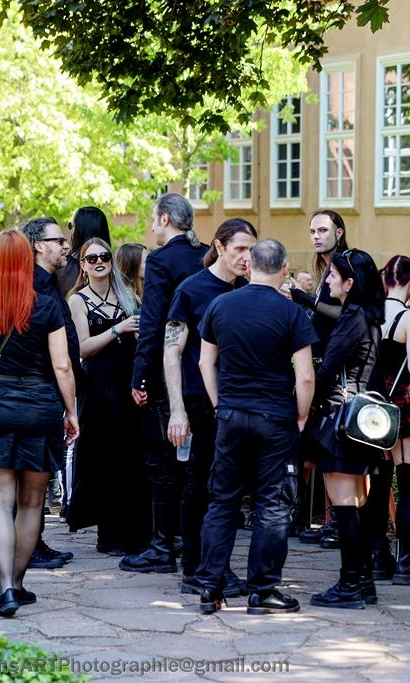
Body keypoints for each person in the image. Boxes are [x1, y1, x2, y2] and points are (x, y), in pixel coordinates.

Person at [194, 239, 316, 615]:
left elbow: (205, 363)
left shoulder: (220, 305)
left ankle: (210, 587)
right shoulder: (292, 312)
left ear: (249, 267)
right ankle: (262, 590)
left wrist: (220, 404)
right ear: (284, 269)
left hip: (231, 414)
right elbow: (305, 375)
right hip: (275, 418)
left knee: (223, 501)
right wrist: (301, 415)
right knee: (272, 504)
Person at [0, 229, 79, 617]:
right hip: (40, 406)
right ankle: (17, 583)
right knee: (31, 504)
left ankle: (5, 589)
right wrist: (71, 412)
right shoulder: (46, 306)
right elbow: (62, 366)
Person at [164, 218, 256, 596]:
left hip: (238, 400)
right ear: (219, 247)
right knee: (200, 484)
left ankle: (214, 564)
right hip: (200, 400)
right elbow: (172, 352)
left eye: (252, 250)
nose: (247, 257)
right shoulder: (192, 289)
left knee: (228, 489)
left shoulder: (249, 289)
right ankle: (196, 568)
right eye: (240, 249)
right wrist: (177, 409)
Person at [122, 192, 208, 574]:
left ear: (165, 220)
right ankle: (192, 541)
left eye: (153, 218)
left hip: (168, 369)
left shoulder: (160, 260)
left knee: (161, 461)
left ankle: (162, 545)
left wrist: (139, 375)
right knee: (198, 461)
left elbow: (153, 321)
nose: (151, 225)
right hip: (206, 367)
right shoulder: (206, 254)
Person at [309, 248, 386, 610]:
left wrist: (303, 402)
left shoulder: (352, 318)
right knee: (354, 503)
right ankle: (362, 582)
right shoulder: (368, 317)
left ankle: (350, 584)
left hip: (341, 420)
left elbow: (327, 371)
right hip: (360, 420)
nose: (327, 280)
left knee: (344, 506)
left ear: (350, 283)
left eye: (333, 276)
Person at [65, 237, 145, 555]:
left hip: (127, 383)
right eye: (91, 258)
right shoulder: (77, 300)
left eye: (104, 256)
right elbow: (83, 348)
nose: (99, 262)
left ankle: (133, 532)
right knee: (102, 459)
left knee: (130, 458)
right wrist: (117, 329)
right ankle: (108, 534)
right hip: (98, 387)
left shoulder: (128, 295)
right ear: (83, 266)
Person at [17, 216, 80, 569]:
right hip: (38, 392)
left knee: (36, 477)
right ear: (39, 246)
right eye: (59, 240)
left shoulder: (50, 283)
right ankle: (28, 548)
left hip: (43, 393)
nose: (66, 246)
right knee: (32, 478)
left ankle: (32, 543)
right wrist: (68, 405)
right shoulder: (33, 287)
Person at [365, 255, 410, 586]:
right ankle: (405, 559)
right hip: (403, 401)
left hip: (375, 406)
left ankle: (379, 556)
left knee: (379, 484)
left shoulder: (371, 313)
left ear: (384, 279)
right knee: (408, 483)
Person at [297, 210, 350, 547]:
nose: (316, 236)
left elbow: (347, 313)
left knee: (336, 449)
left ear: (339, 232)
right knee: (319, 448)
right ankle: (324, 519)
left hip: (340, 369)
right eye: (312, 231)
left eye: (322, 230)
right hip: (320, 363)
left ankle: (340, 522)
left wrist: (303, 299)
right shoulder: (324, 268)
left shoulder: (346, 264)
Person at [56, 206, 111, 298]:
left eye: (71, 226)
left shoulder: (63, 268)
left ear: (79, 230)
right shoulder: (116, 267)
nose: (71, 231)